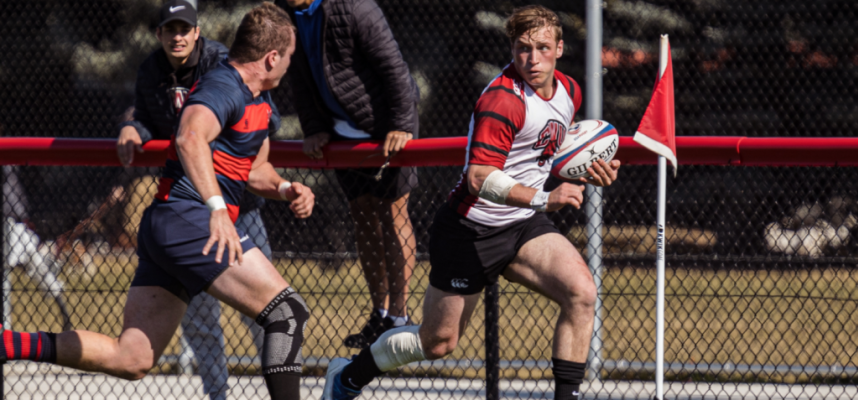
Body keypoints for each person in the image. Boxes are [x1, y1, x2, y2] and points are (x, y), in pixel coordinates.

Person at [0, 4, 314, 400]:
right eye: (289, 55)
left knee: (130, 358)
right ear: (272, 57)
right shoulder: (225, 85)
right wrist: (217, 209)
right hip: (189, 219)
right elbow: (189, 137)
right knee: (287, 313)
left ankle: (10, 345)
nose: (290, 63)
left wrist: (287, 189)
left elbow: (254, 170)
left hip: (170, 225)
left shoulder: (259, 102)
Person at [320, 6, 622, 400]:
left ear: (560, 48)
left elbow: (545, 149)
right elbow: (480, 177)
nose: (532, 59)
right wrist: (545, 197)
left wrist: (586, 167)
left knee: (581, 292)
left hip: (522, 225)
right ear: (512, 49)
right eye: (522, 49)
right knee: (438, 342)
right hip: (470, 230)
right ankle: (348, 376)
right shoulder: (502, 100)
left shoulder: (569, 90)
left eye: (542, 48)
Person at [113, 1, 266, 398]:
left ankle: (279, 389)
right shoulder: (151, 69)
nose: (177, 36)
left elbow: (259, 115)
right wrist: (133, 127)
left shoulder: (221, 63)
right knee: (199, 317)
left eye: (185, 29)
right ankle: (218, 395)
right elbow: (148, 116)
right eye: (170, 29)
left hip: (237, 206)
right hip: (187, 212)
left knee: (264, 310)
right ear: (160, 33)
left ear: (197, 32)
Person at [277, 0, 420, 349]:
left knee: (393, 213)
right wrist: (314, 127)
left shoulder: (356, 7)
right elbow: (298, 76)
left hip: (384, 129)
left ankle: (400, 317)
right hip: (341, 136)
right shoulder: (286, 15)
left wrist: (400, 124)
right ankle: (380, 313)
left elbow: (393, 67)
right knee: (363, 216)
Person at [3, 165, 73, 332]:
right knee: (5, 274)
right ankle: (4, 330)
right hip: (10, 221)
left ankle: (63, 313)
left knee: (36, 263)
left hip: (14, 222)